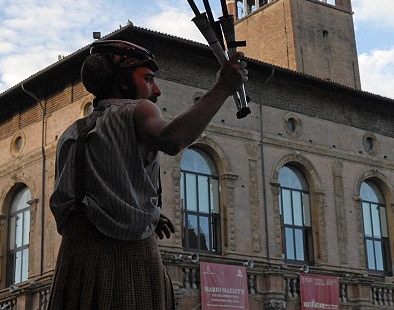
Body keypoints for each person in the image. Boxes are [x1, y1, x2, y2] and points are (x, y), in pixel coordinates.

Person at [47, 39, 247, 310]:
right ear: (123, 82)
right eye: (148, 78)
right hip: (126, 256)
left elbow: (89, 194)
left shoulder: (72, 133)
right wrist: (222, 88)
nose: (156, 90)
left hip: (75, 260)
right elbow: (171, 139)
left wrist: (143, 211)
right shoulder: (138, 109)